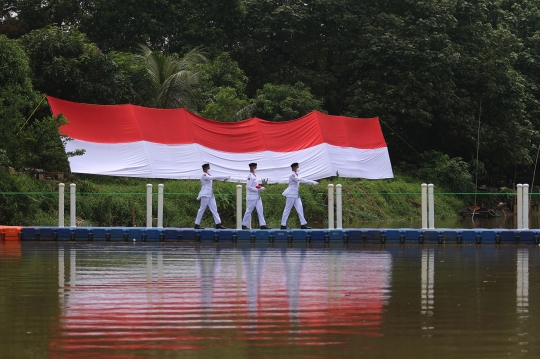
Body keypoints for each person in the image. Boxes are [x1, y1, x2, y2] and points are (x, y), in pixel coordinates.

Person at [280, 162, 318, 229]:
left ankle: (303, 224)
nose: (298, 168)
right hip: (291, 194)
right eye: (297, 167)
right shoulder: (292, 175)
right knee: (287, 209)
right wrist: (312, 182)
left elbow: (300, 180)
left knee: (300, 208)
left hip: (296, 195)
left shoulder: (296, 174)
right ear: (294, 167)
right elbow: (301, 180)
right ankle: (283, 225)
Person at [194, 163, 229, 229]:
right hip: (205, 194)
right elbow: (212, 178)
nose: (209, 169)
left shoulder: (208, 174)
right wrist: (224, 176)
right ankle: (197, 224)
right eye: (208, 168)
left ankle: (218, 223)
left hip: (210, 194)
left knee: (214, 208)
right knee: (202, 209)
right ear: (204, 168)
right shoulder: (204, 175)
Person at [241, 163, 270, 230]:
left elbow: (255, 185)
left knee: (260, 210)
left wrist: (260, 187)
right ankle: (243, 225)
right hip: (252, 197)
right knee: (249, 210)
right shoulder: (250, 176)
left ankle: (263, 225)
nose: (256, 168)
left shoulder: (254, 176)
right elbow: (248, 187)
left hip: (257, 196)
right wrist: (258, 189)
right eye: (255, 167)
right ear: (251, 168)